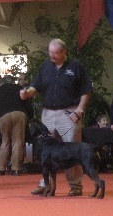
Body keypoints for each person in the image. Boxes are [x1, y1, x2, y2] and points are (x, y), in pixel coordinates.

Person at [20, 38, 93, 196]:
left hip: (70, 112)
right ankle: (45, 184)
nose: (51, 56)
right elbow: (35, 87)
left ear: (64, 52)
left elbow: (86, 90)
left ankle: (75, 186)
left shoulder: (76, 66)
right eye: (50, 52)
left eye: (55, 53)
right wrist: (27, 93)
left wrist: (80, 110)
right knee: (45, 149)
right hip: (48, 113)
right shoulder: (45, 66)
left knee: (72, 148)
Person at [0, 82, 34, 176]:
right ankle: (16, 168)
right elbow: (27, 103)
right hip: (18, 113)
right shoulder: (19, 88)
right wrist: (30, 116)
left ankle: (1, 168)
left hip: (3, 116)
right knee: (18, 141)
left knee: (5, 141)